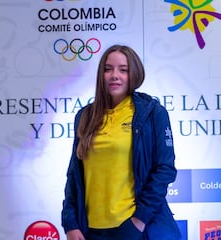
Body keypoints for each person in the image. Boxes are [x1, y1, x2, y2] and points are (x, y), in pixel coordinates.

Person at [61, 44, 181, 240]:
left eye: (123, 70)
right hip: (90, 231)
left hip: (134, 229)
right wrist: (70, 223)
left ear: (133, 74)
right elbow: (74, 175)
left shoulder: (152, 113)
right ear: (101, 75)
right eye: (108, 69)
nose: (114, 75)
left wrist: (139, 221)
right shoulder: (85, 116)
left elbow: (164, 169)